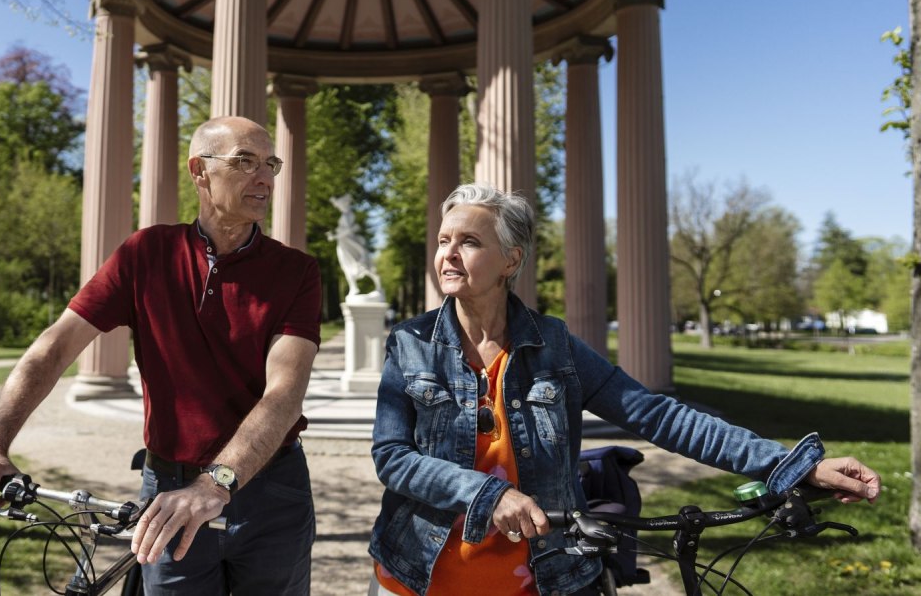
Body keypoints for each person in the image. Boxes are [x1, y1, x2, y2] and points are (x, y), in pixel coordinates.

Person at [368, 183, 880, 596]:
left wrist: (792, 465)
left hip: (546, 580)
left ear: (510, 260)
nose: (448, 254)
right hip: (417, 575)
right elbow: (392, 456)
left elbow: (659, 416)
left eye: (469, 242)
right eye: (444, 240)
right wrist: (487, 492)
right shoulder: (411, 344)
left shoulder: (555, 347)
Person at [0, 116, 322, 595]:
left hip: (271, 491)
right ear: (200, 171)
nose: (264, 177)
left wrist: (215, 484)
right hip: (169, 489)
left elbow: (284, 394)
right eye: (245, 161)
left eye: (270, 163)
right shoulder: (147, 254)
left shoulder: (296, 271)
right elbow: (55, 346)